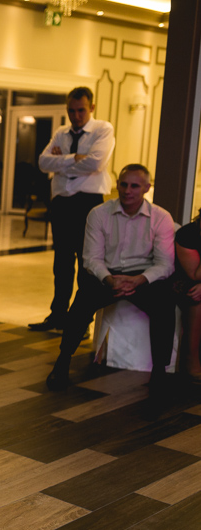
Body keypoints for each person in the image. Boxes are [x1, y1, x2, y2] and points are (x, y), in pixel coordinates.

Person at [46, 164, 175, 392]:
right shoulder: (99, 213)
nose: (127, 190)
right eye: (123, 184)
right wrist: (109, 279)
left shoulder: (161, 217)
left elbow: (165, 264)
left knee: (164, 304)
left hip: (142, 276)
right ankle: (63, 360)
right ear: (117, 185)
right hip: (107, 274)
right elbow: (91, 259)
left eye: (135, 186)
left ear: (147, 188)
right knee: (82, 301)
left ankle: (159, 370)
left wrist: (139, 280)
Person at [31, 86, 115, 332]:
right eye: (71, 111)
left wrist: (60, 163)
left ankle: (80, 321)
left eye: (81, 110)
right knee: (62, 262)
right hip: (61, 202)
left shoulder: (103, 129)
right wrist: (73, 158)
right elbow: (43, 162)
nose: (76, 116)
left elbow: (96, 163)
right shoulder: (61, 132)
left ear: (92, 108)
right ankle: (57, 315)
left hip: (88, 202)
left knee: (87, 263)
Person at [174, 207, 201, 381]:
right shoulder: (188, 234)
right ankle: (192, 359)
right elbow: (195, 274)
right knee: (196, 297)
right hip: (187, 282)